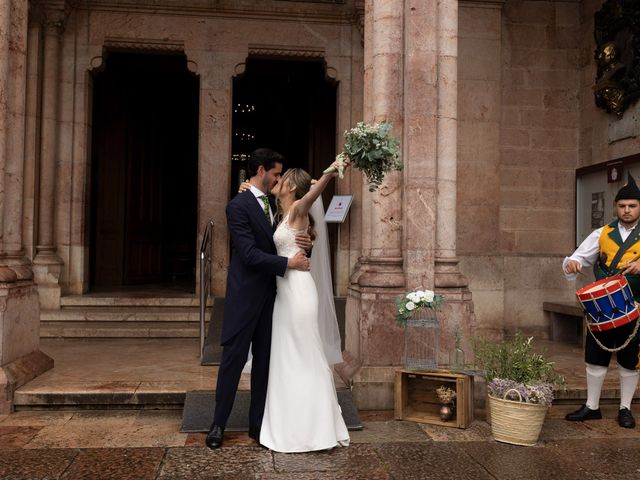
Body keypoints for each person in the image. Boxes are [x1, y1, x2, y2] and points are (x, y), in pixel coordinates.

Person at [206, 148, 312, 449]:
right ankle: (217, 425)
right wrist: (287, 265)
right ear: (262, 170)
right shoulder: (237, 206)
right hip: (245, 296)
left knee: (265, 365)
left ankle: (258, 426)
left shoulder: (279, 207)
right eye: (277, 173)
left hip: (273, 300)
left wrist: (307, 243)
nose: (279, 179)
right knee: (233, 361)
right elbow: (249, 254)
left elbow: (287, 239)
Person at [259, 161, 350, 452]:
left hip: (299, 293)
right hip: (284, 295)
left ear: (293, 187)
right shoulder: (282, 215)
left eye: (283, 179)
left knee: (306, 355)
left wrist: (331, 171)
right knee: (287, 357)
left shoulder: (299, 207)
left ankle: (316, 428)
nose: (279, 181)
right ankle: (291, 425)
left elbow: (312, 194)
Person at [563, 173, 640, 429]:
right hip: (602, 309)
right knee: (595, 356)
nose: (627, 210)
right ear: (615, 208)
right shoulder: (602, 233)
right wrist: (572, 264)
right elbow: (576, 258)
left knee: (630, 359)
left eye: (632, 206)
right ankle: (592, 406)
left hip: (635, 308)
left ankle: (625, 408)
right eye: (622, 206)